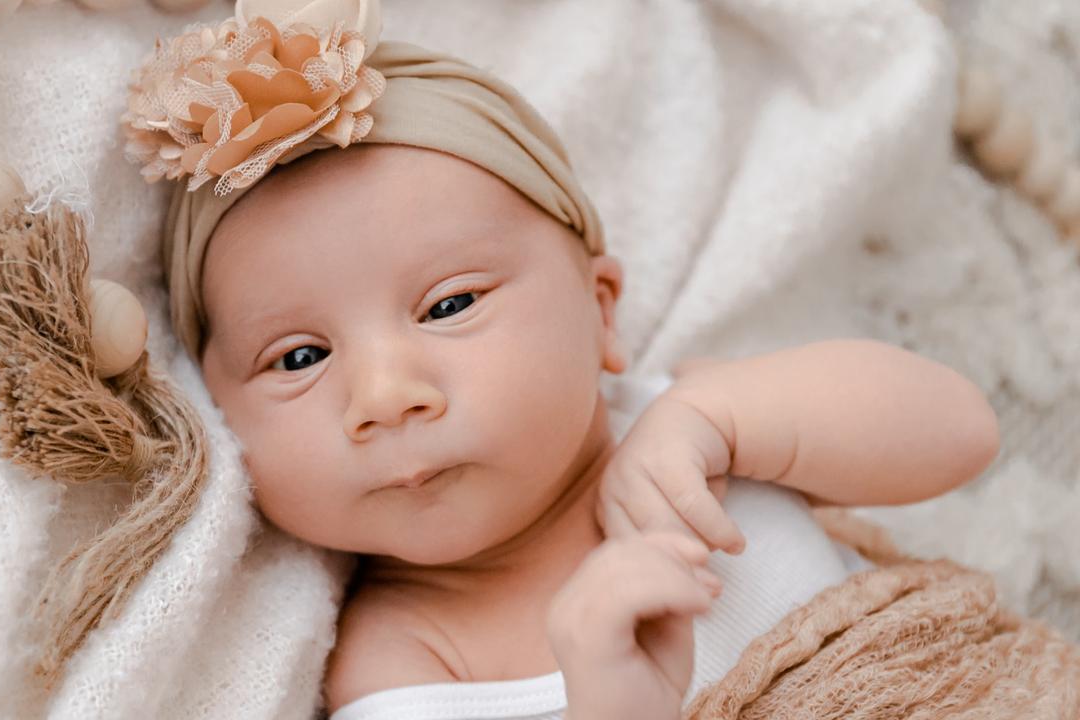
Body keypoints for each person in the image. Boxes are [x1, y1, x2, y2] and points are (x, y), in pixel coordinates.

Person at [132, 2, 1000, 716]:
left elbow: (962, 433)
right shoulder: (401, 661)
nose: (386, 397)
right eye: (299, 357)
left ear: (600, 310)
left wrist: (715, 421)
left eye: (451, 305)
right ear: (218, 415)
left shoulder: (702, 424)